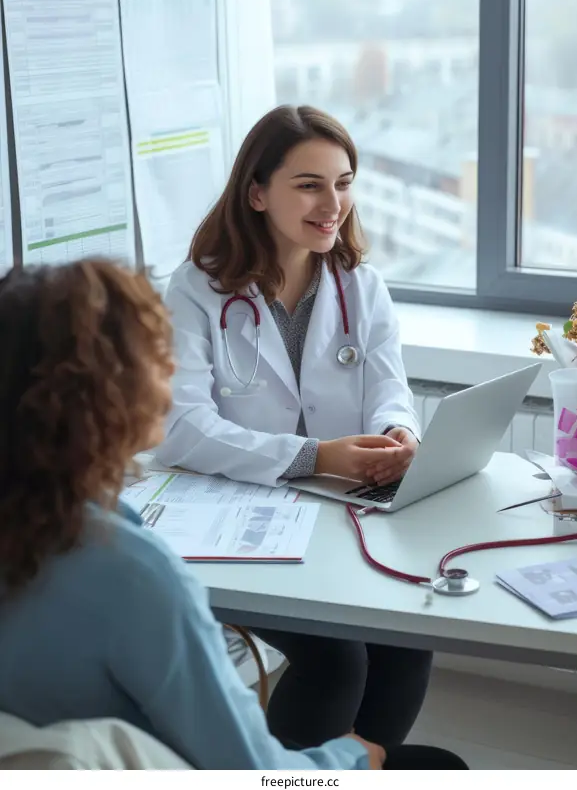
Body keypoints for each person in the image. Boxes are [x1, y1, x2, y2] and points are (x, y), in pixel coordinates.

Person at [0, 259, 466, 771]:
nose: (173, 370)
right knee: (434, 766)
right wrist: (354, 757)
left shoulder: (58, 541)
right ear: (107, 396)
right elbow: (256, 773)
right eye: (155, 356)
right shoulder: (132, 575)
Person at [155, 105, 433, 753]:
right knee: (338, 658)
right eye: (309, 184)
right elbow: (182, 430)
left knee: (408, 639)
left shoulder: (358, 285)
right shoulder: (195, 292)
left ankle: (365, 767)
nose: (332, 202)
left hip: (337, 517)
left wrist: (398, 433)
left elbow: (392, 388)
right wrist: (316, 456)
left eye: (343, 182)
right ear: (258, 192)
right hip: (233, 522)